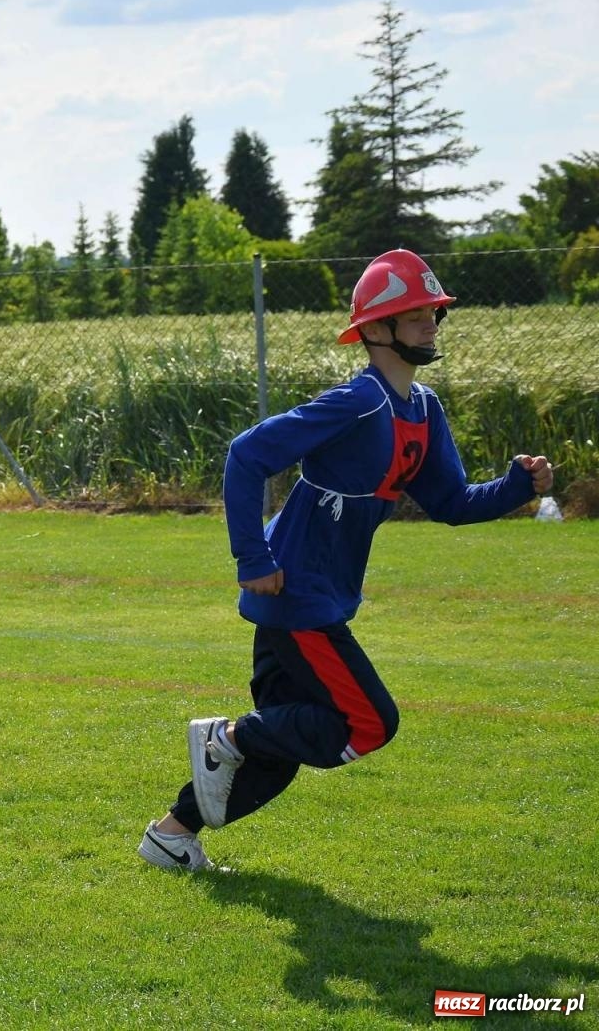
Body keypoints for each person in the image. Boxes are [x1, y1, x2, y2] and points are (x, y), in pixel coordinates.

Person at [138, 248, 555, 872]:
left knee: (282, 752)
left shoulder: (423, 409)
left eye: (435, 314)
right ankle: (229, 735)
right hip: (295, 592)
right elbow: (246, 455)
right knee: (368, 723)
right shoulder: (357, 402)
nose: (431, 325)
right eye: (416, 315)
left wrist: (518, 486)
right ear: (377, 329)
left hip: (319, 597)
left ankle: (171, 836)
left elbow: (450, 502)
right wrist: (251, 558)